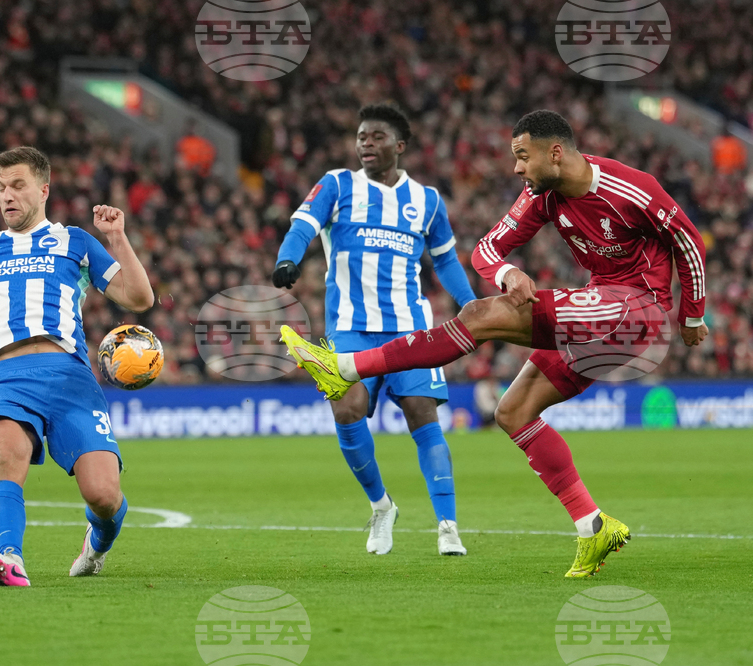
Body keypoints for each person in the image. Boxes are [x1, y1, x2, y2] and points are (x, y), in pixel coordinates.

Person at [281, 109, 708, 578]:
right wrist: (507, 272)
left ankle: (345, 367)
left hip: (636, 309)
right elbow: (485, 249)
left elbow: (687, 241)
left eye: (523, 157)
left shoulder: (630, 187)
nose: (517, 168)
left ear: (556, 152)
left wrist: (692, 314)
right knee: (513, 411)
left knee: (481, 315)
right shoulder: (543, 195)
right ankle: (593, 525)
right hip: (602, 314)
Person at [0, 146, 154, 587]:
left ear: (43, 189)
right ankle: (11, 557)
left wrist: (117, 237)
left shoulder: (74, 241)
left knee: (103, 494)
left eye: (18, 185)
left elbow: (138, 298)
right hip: (6, 377)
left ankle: (97, 543)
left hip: (69, 377)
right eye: (1, 187)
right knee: (5, 455)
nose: (7, 195)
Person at [272, 104, 476, 556]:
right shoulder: (338, 184)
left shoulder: (427, 201)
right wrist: (289, 257)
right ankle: (382, 506)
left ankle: (448, 526)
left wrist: (471, 305)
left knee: (423, 412)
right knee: (347, 409)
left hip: (410, 326)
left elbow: (443, 258)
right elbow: (303, 225)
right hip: (350, 327)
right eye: (361, 136)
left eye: (376, 137)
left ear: (399, 146)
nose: (366, 143)